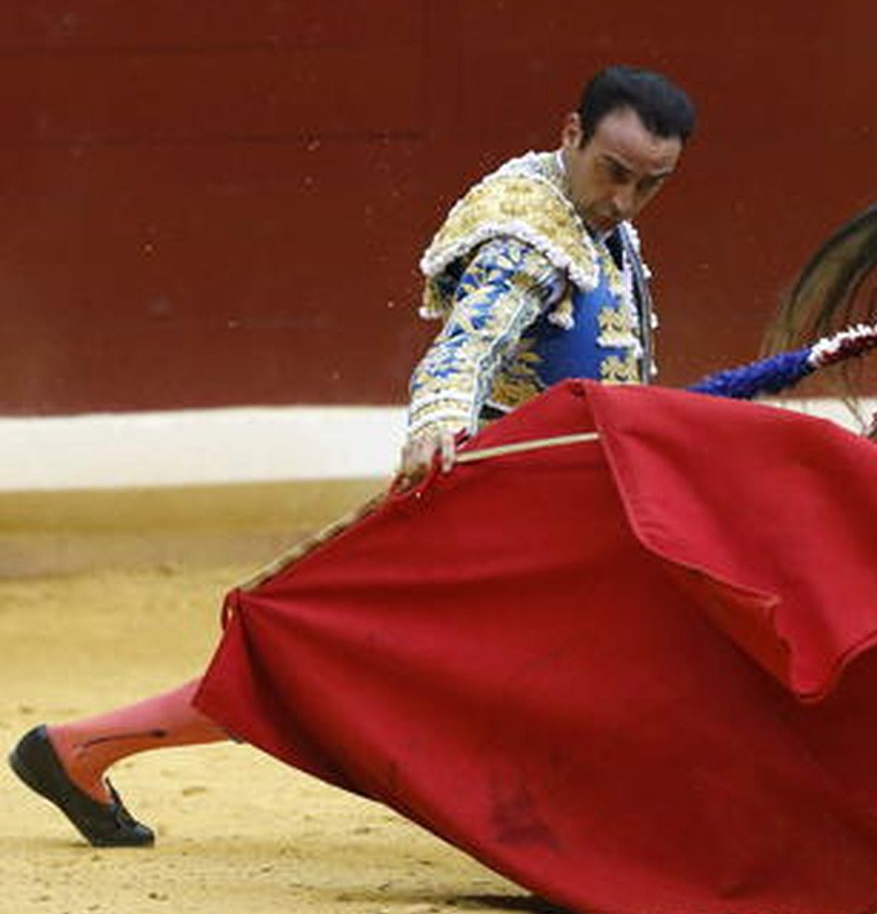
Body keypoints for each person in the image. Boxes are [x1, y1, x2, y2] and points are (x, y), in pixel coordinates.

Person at [9, 65, 696, 847]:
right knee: (335, 666)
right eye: (614, 173)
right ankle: (79, 748)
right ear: (571, 134)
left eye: (650, 184)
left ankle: (77, 749)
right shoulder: (528, 241)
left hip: (559, 514)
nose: (625, 200)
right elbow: (466, 349)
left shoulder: (597, 227)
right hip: (498, 515)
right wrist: (437, 424)